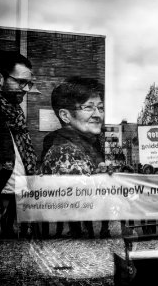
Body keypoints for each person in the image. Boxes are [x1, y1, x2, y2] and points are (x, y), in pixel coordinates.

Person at [0, 52, 38, 247]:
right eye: (21, 82)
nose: (25, 88)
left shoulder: (13, 109)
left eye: (28, 83)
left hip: (13, 179)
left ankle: (6, 224)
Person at [38, 76, 109, 239]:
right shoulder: (65, 152)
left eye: (100, 108)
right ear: (65, 115)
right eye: (88, 108)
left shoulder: (89, 144)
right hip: (73, 242)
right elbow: (78, 200)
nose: (98, 115)